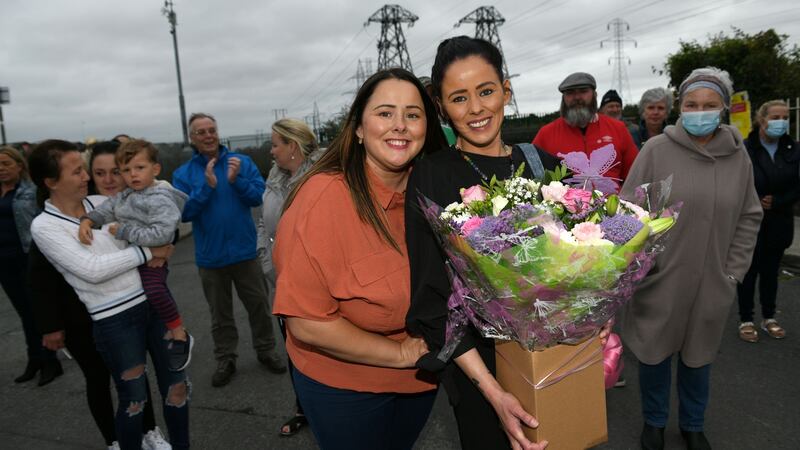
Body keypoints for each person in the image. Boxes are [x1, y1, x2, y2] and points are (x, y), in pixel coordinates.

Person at [272, 68, 445, 449]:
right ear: (359, 129)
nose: (400, 125)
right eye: (385, 113)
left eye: (413, 114)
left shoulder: (435, 191)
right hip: (346, 389)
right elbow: (306, 323)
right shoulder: (322, 200)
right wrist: (400, 352)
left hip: (421, 376)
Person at [406, 36, 562, 450]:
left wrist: (598, 321)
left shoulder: (543, 166)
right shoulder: (431, 178)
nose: (476, 108)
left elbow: (586, 260)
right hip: (480, 372)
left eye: (486, 91)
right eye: (459, 98)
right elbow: (432, 299)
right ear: (441, 107)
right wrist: (494, 393)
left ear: (506, 91)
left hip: (556, 354)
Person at [620, 67, 762, 450]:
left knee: (699, 358)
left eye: (709, 105)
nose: (701, 112)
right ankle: (654, 422)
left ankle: (693, 424)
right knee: (653, 355)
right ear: (680, 107)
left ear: (724, 108)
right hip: (661, 277)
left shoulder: (738, 157)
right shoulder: (656, 150)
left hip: (713, 279)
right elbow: (630, 212)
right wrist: (641, 267)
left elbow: (749, 215)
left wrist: (732, 272)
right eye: (692, 104)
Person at [28, 139, 190, 450]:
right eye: (77, 172)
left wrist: (156, 240)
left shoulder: (99, 203)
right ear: (51, 182)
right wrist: (149, 252)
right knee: (134, 399)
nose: (86, 177)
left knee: (177, 388)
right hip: (115, 321)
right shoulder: (44, 226)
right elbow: (92, 269)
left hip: (153, 306)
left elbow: (156, 212)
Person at [173, 113, 285, 387]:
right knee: (220, 315)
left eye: (212, 129)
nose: (208, 135)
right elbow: (184, 213)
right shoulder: (183, 174)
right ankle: (226, 359)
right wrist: (207, 187)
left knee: (259, 307)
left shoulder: (241, 162)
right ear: (191, 138)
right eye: (201, 132)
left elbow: (258, 197)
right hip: (210, 258)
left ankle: (266, 351)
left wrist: (236, 180)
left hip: (245, 252)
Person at [79, 139, 192, 371]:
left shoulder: (159, 198)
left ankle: (179, 333)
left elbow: (162, 233)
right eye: (126, 170)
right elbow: (106, 210)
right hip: (138, 256)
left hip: (149, 258)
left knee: (155, 290)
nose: (132, 175)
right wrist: (87, 221)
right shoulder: (125, 195)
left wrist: (125, 231)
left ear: (155, 169)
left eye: (139, 168)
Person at [257, 118, 323, 437]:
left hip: (313, 284)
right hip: (280, 281)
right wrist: (266, 260)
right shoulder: (275, 175)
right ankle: (303, 408)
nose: (271, 152)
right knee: (293, 347)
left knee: (321, 351)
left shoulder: (322, 177)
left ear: (292, 146)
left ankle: (329, 411)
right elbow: (264, 223)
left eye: (275, 145)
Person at [0, 146, 62, 385]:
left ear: (19, 165)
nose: (2, 169)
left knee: (37, 311)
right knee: (24, 313)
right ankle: (35, 358)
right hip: (4, 262)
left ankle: (50, 361)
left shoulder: (32, 191)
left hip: (28, 258)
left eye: (6, 163)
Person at [737, 100, 798, 342]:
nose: (781, 122)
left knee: (771, 272)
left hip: (780, 221)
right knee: (748, 271)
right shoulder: (744, 149)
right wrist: (756, 199)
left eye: (785, 117)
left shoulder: (794, 149)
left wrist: (780, 200)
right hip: (751, 222)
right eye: (775, 117)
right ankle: (746, 319)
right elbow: (736, 182)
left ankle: (769, 317)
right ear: (761, 120)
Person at [533, 72, 638, 191]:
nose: (577, 97)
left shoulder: (618, 128)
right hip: (562, 202)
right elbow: (532, 180)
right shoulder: (546, 134)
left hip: (615, 201)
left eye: (583, 91)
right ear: (563, 98)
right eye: (570, 93)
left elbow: (635, 175)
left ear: (595, 94)